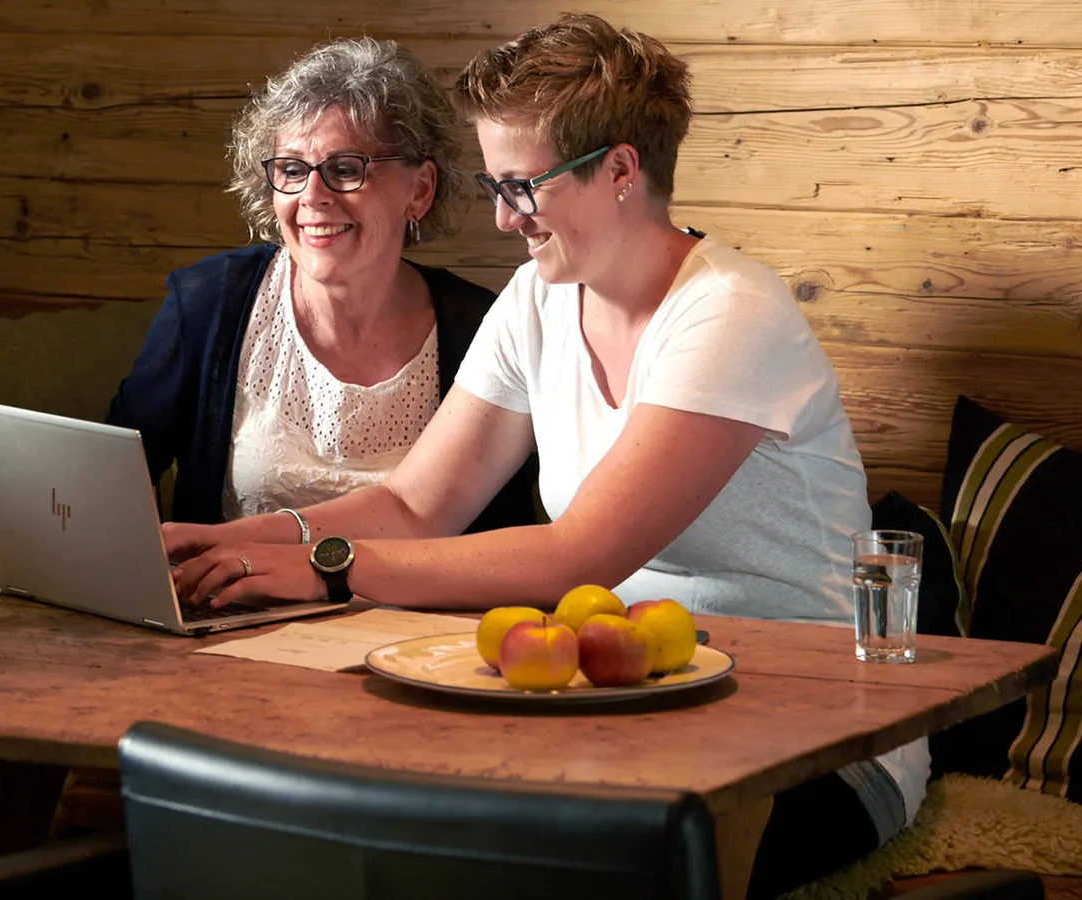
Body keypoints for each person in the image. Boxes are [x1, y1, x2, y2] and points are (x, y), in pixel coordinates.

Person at [161, 15, 929, 898]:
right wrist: (230, 540)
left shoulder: (730, 315)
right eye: (495, 183)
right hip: (622, 705)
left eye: (523, 186)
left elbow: (583, 553)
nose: (499, 215)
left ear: (619, 172)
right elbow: (417, 505)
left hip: (813, 735)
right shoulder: (538, 295)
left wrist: (329, 571)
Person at [108, 37, 536, 531]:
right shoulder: (207, 303)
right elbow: (103, 484)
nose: (313, 196)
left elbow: (503, 539)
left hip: (419, 611)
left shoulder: (483, 328)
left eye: (346, 169)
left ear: (419, 190)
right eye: (291, 169)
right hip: (229, 606)